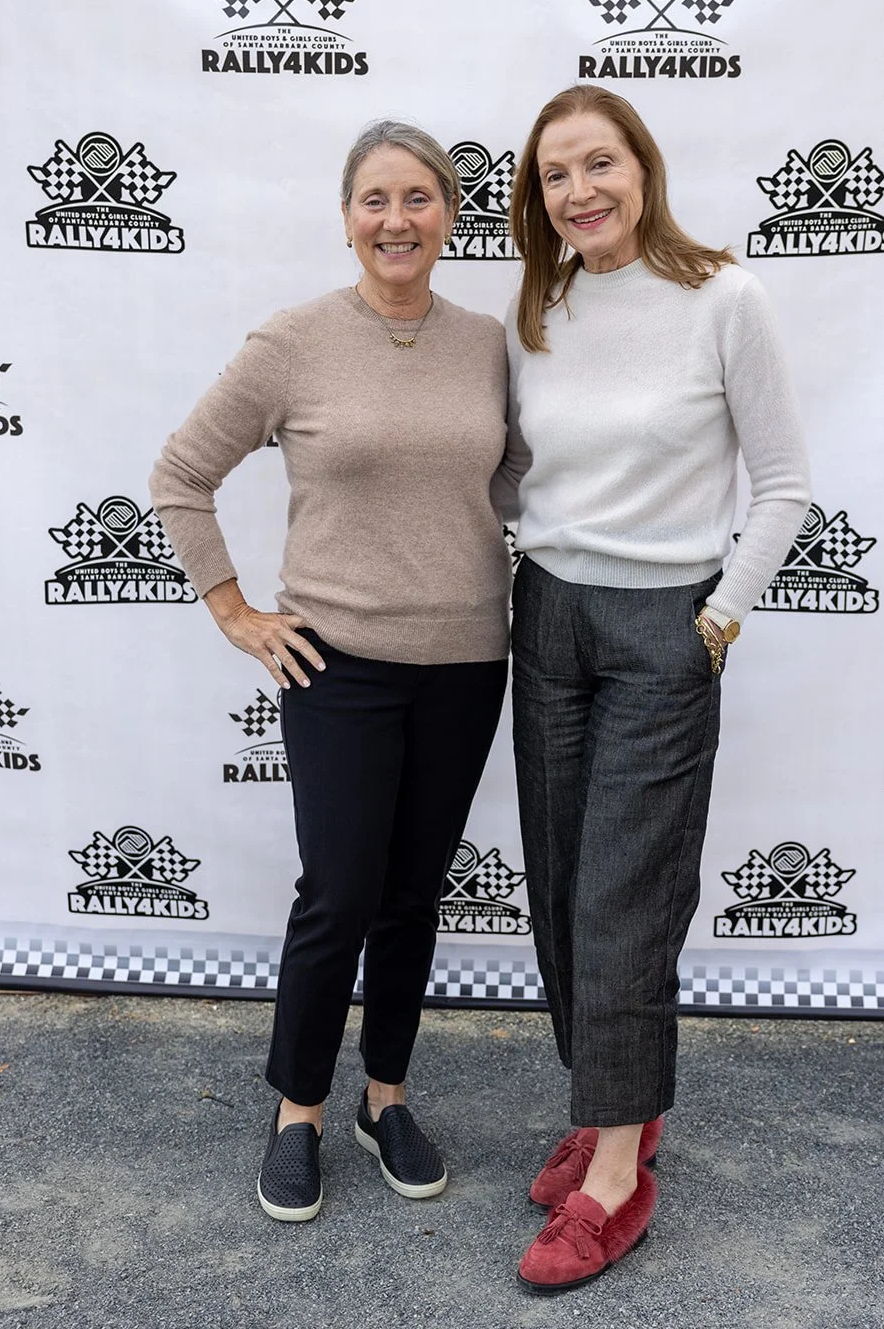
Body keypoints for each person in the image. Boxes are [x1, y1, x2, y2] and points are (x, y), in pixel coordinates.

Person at [150, 121, 515, 1223]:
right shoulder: (294, 342)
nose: (396, 220)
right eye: (374, 200)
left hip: (465, 661)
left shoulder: (491, 343)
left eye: (418, 198)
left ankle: (385, 1098)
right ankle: (297, 1110)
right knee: (339, 893)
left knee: (411, 896)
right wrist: (234, 610)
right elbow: (179, 474)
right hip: (336, 664)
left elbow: (516, 488)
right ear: (347, 216)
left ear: (451, 213)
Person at [505, 86, 810, 1292]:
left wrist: (716, 622)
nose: (577, 192)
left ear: (643, 166)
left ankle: (617, 1174)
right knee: (563, 885)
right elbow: (519, 471)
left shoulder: (724, 296)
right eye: (553, 176)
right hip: (547, 616)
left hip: (660, 629)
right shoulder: (545, 300)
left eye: (598, 164)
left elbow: (782, 481)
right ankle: (610, 1104)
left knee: (626, 898)